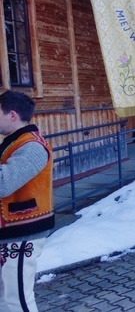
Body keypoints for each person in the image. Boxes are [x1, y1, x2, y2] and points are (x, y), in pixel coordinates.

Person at [0, 90, 54, 311]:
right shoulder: (14, 143)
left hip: (23, 234)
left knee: (18, 300)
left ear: (12, 115)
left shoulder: (32, 147)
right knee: (5, 298)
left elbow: (3, 184)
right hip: (11, 232)